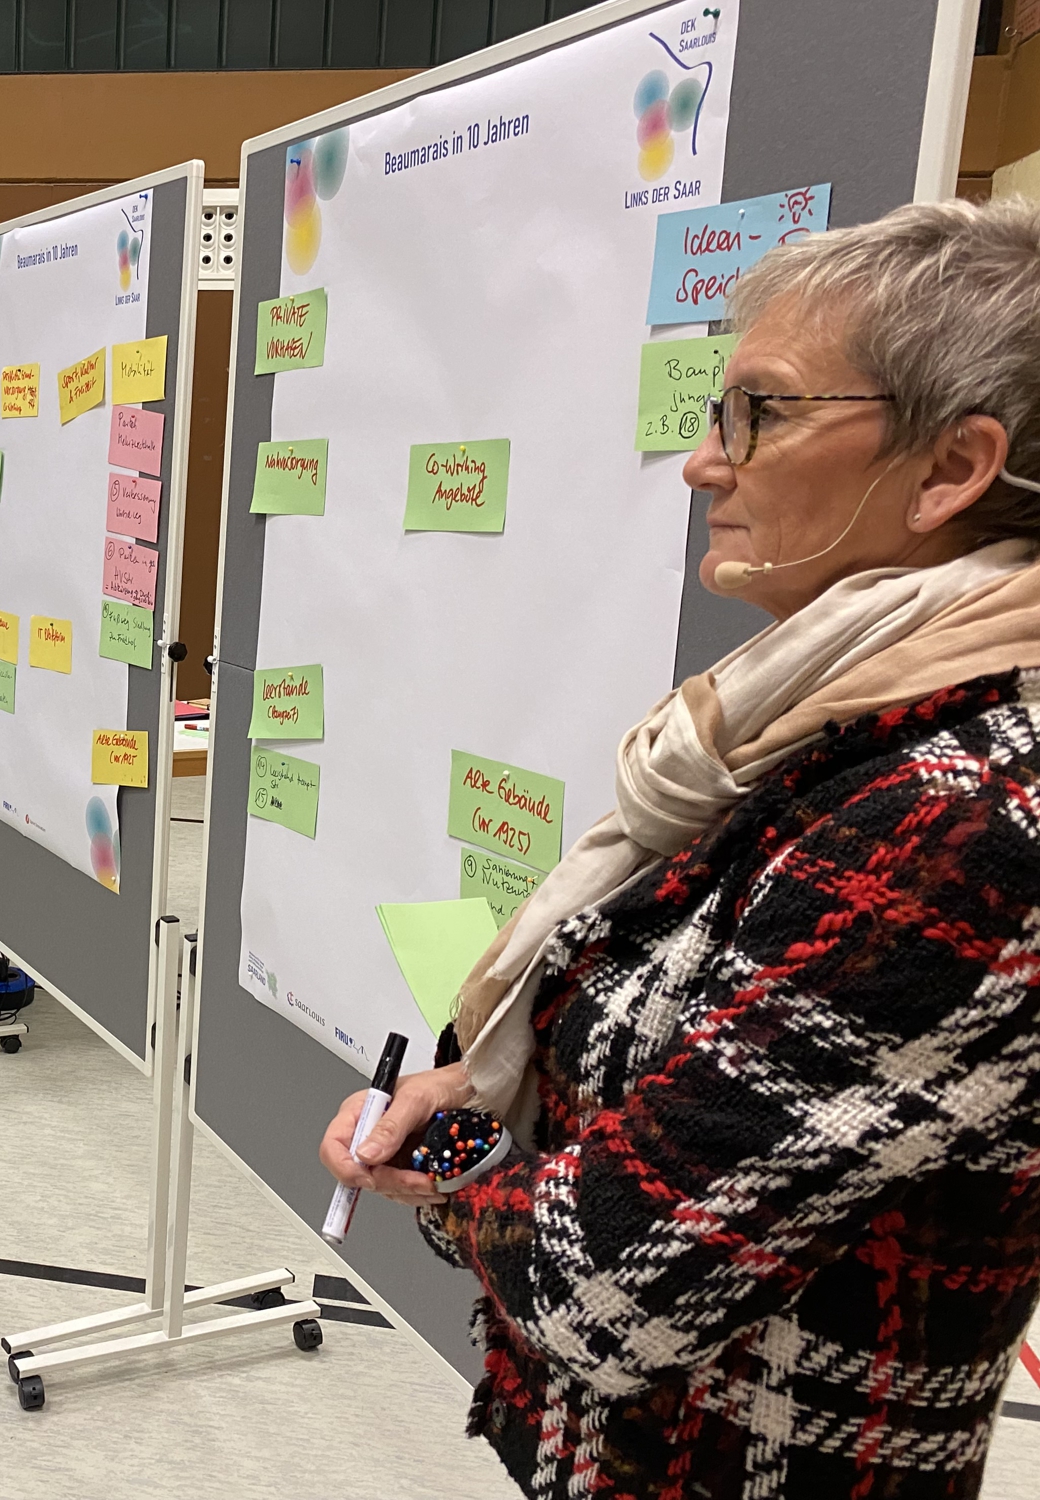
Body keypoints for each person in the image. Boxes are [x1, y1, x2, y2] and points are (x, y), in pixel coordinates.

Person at [321, 198, 1040, 1497]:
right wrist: (480, 1100)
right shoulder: (816, 720)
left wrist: (458, 1185)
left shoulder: (962, 817)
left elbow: (607, 1285)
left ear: (949, 468)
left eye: (759, 412)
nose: (706, 463)